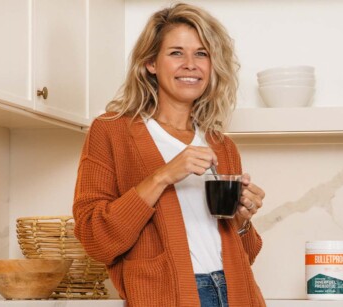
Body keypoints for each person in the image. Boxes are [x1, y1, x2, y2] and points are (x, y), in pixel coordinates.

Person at [72, 3, 266, 307]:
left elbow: (245, 256)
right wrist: (163, 175)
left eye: (201, 53)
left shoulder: (222, 145)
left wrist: (242, 221)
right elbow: (95, 238)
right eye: (176, 52)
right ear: (151, 62)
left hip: (235, 293)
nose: (191, 64)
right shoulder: (111, 131)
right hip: (167, 296)